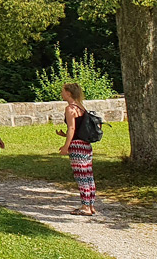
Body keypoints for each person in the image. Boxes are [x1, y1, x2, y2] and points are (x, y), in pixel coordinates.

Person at [57, 82, 97, 215]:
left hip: (77, 146)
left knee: (81, 176)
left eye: (63, 91)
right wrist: (65, 135)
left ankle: (85, 207)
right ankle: (91, 205)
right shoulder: (81, 107)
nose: (61, 94)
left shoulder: (70, 109)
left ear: (68, 93)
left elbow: (72, 128)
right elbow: (79, 128)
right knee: (88, 175)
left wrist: (66, 146)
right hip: (86, 145)